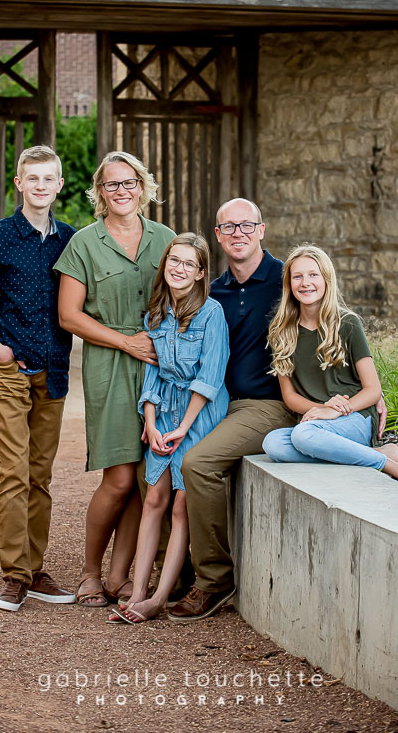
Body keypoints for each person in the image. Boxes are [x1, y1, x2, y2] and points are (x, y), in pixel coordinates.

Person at [0, 145, 76, 612]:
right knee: (13, 474)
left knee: (40, 475)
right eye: (33, 178)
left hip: (54, 371)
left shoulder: (71, 240)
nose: (40, 186)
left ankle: (36, 569)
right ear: (20, 184)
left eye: (49, 178)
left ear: (59, 185)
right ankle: (15, 575)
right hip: (7, 369)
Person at [167, 198, 298, 622]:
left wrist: (369, 388)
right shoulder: (213, 293)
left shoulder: (286, 279)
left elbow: (333, 320)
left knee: (199, 463)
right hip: (216, 403)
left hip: (267, 405)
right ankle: (175, 572)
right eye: (229, 227)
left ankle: (214, 579)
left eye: (246, 225)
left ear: (261, 230)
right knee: (158, 461)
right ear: (218, 236)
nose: (238, 233)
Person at [55, 151, 174, 607]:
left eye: (129, 183)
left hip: (161, 366)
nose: (121, 191)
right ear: (99, 192)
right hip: (110, 363)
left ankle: (119, 576)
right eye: (112, 184)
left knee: (146, 477)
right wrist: (127, 343)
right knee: (120, 478)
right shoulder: (83, 243)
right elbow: (69, 316)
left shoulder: (165, 239)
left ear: (142, 187)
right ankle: (89, 572)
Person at [261, 244, 398, 492]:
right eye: (297, 276)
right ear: (289, 283)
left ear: (327, 279)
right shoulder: (282, 332)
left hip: (356, 417)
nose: (305, 283)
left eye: (313, 274)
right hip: (317, 424)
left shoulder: (347, 323)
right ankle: (379, 454)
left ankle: (396, 468)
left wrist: (338, 410)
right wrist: (323, 409)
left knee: (302, 436)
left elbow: (373, 390)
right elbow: (290, 396)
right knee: (273, 444)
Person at [109, 234, 229, 624]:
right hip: (164, 415)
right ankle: (137, 593)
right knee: (154, 499)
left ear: (200, 273)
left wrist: (183, 428)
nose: (179, 268)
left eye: (188, 264)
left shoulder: (211, 313)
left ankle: (159, 598)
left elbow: (209, 379)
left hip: (200, 416)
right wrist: (150, 420)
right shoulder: (156, 315)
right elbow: (153, 376)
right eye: (173, 260)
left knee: (180, 506)